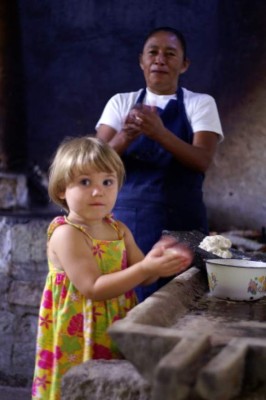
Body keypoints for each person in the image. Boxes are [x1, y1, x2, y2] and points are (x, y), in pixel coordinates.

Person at [31, 136, 193, 400]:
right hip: (78, 328)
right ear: (62, 189)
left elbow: (144, 274)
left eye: (108, 182)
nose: (99, 191)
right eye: (85, 182)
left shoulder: (118, 228)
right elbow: (93, 288)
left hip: (115, 323)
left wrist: (159, 258)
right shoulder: (67, 234)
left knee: (111, 388)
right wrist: (146, 269)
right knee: (80, 387)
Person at [96, 26, 224, 301]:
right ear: (141, 60)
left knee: (181, 303)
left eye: (170, 53)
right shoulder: (121, 103)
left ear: (184, 64)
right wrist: (126, 135)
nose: (160, 59)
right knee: (130, 303)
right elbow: (94, 161)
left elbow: (202, 160)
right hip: (128, 225)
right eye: (152, 52)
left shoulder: (200, 104)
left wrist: (160, 133)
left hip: (183, 225)